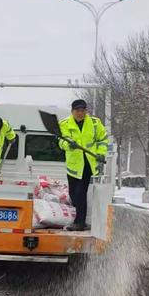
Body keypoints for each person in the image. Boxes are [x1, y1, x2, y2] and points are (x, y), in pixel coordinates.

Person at [59, 99, 109, 231]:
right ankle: (80, 217)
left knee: (81, 192)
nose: (80, 113)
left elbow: (103, 139)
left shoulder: (94, 123)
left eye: (83, 110)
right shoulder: (65, 124)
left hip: (88, 163)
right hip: (74, 165)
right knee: (73, 194)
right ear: (72, 111)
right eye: (78, 110)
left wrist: (101, 153)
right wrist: (69, 144)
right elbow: (61, 142)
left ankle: (80, 222)